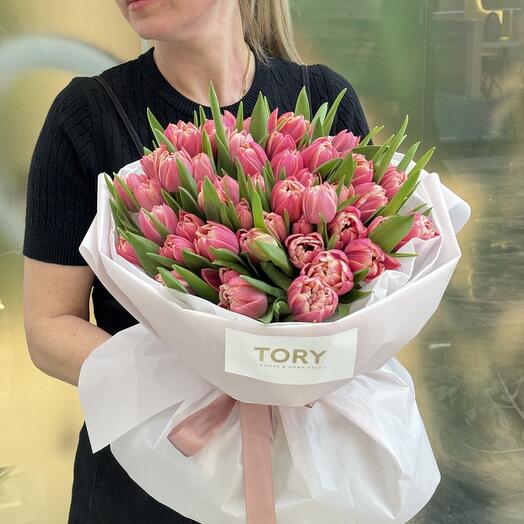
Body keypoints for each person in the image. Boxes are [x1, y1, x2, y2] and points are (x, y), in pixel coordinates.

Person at [22, 0, 370, 522]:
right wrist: (211, 378)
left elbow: (373, 288)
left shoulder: (325, 100)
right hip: (146, 470)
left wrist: (299, 372)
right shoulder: (89, 116)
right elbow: (49, 327)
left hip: (303, 469)